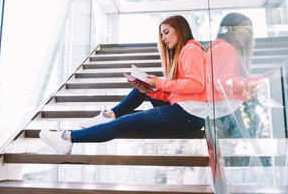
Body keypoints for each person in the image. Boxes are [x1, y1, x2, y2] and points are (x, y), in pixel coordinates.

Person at [40, 15, 208, 154]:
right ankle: (110, 115)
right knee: (142, 90)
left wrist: (159, 82)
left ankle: (68, 137)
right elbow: (179, 94)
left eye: (166, 32)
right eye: (162, 35)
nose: (163, 38)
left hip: (188, 116)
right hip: (185, 111)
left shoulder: (190, 49)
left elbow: (197, 85)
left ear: (180, 29)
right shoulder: (185, 52)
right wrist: (151, 90)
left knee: (124, 123)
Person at [207, 12, 259, 138]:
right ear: (230, 29)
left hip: (225, 114)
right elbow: (222, 83)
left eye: (250, 30)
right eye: (245, 28)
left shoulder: (225, 49)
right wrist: (254, 83)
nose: (249, 34)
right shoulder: (224, 48)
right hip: (225, 115)